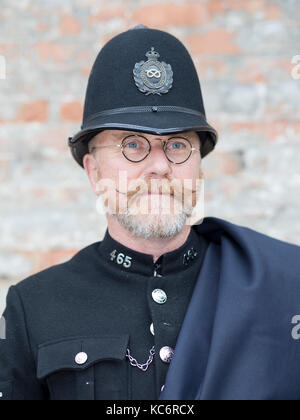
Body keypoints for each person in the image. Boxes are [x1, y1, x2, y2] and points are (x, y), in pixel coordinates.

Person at [1, 26, 300, 401]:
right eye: (132, 144)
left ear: (199, 169)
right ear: (94, 172)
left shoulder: (285, 285)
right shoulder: (34, 307)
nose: (159, 166)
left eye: (177, 144)